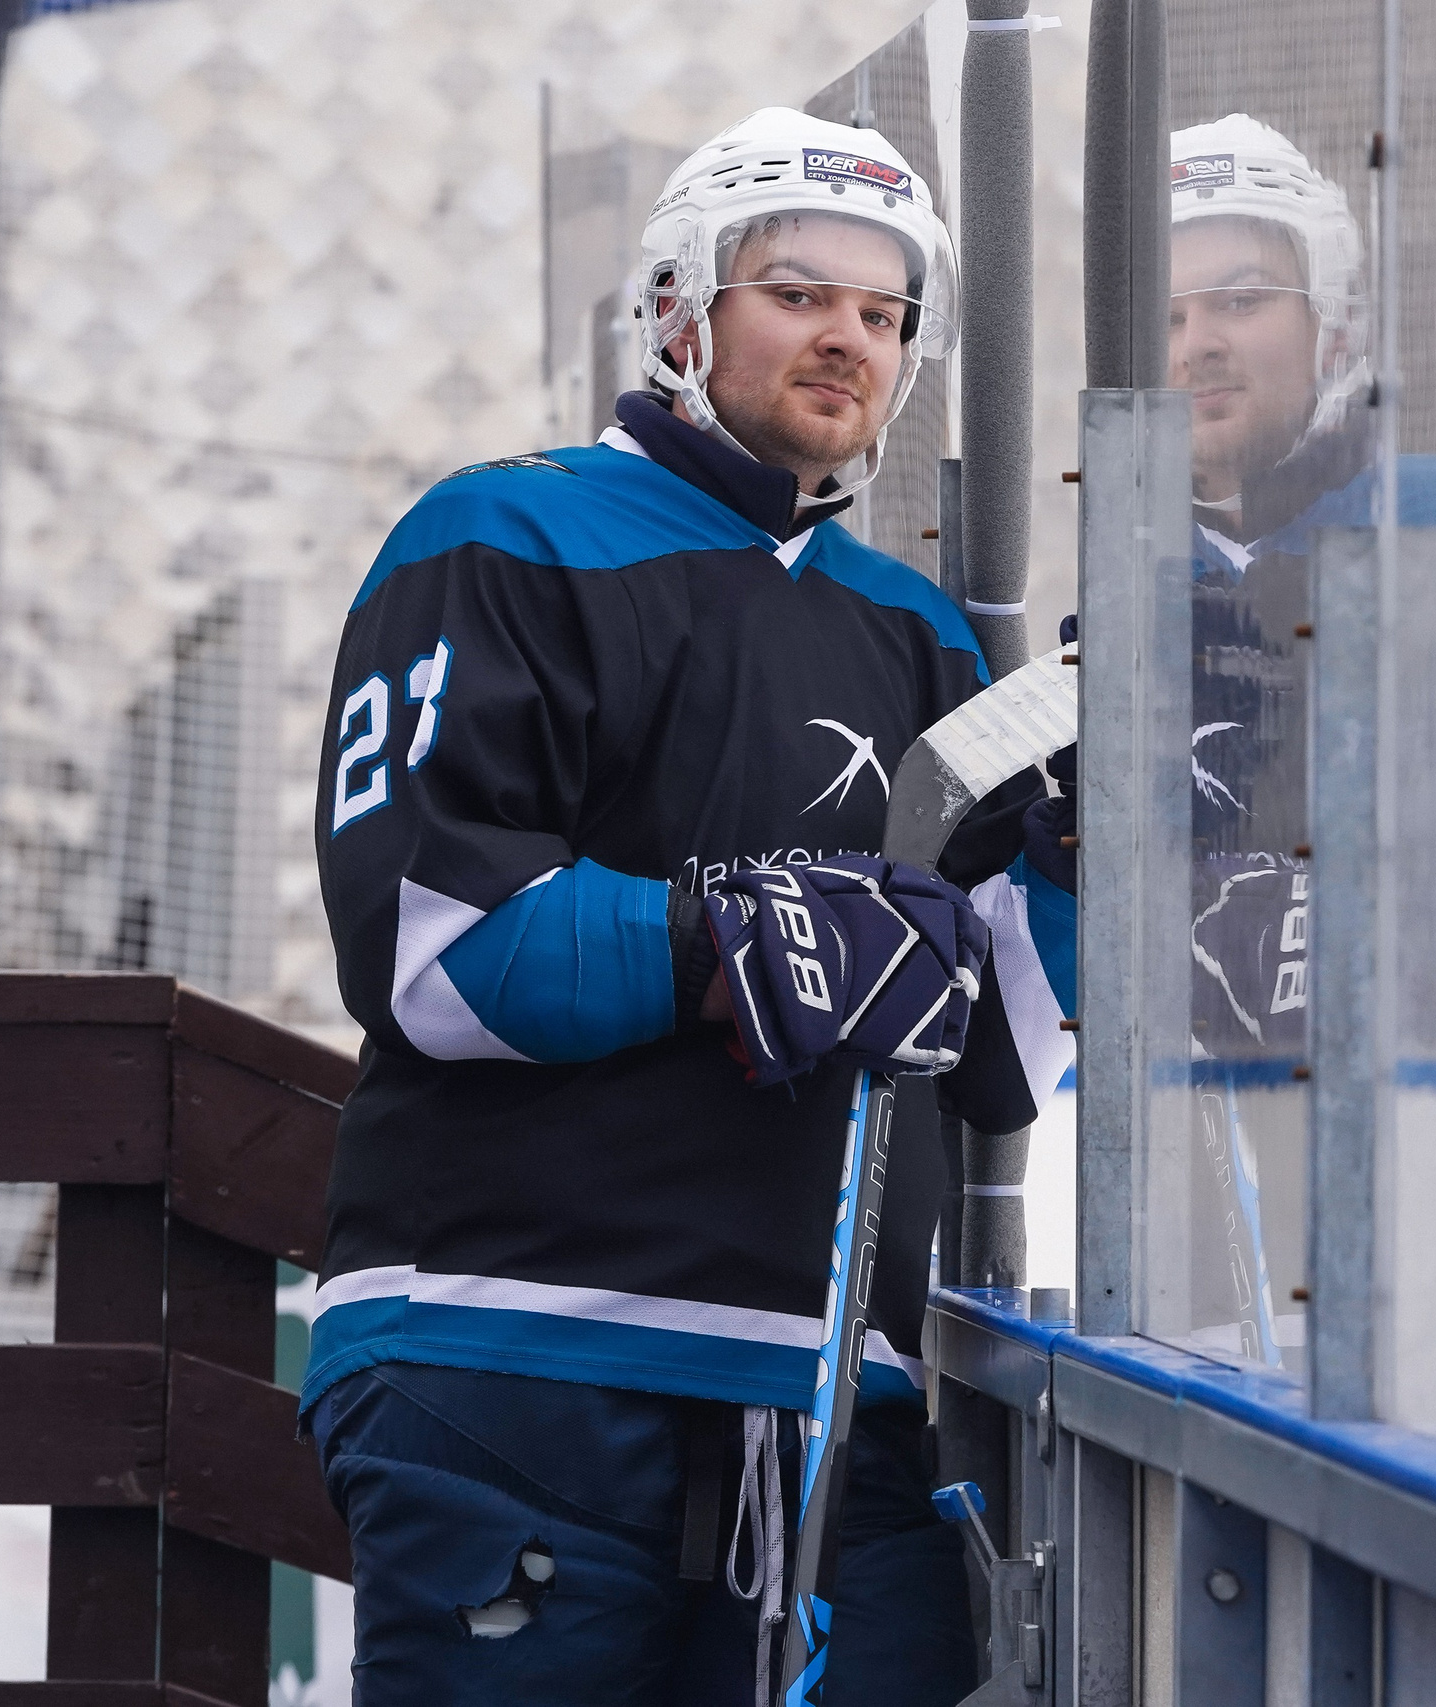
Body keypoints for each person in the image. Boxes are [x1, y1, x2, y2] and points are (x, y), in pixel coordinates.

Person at [304, 107, 1040, 1707]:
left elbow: (999, 1065)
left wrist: (1092, 875)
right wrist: (729, 937)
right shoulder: (502, 532)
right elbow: (429, 946)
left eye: (884, 311)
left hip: (839, 1398)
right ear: (676, 311)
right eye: (798, 290)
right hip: (514, 1359)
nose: (847, 335)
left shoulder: (921, 638)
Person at [1016, 116, 1369, 1362]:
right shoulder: (1117, 620)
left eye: (1240, 297)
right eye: (1161, 318)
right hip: (1220, 1284)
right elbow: (1069, 1007)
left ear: (1332, 321)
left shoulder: (1430, 551)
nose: (1199, 342)